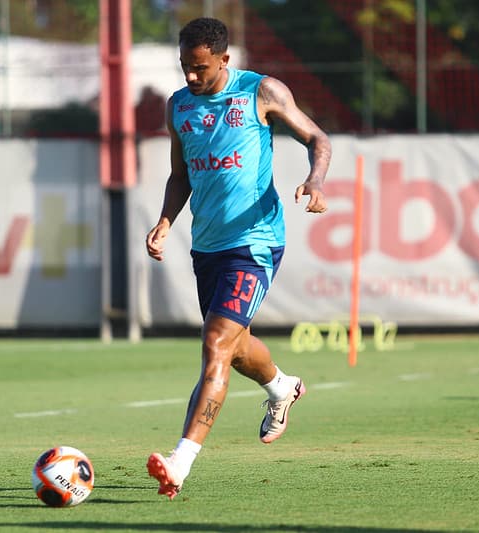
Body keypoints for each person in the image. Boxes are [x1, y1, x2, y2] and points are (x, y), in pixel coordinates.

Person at [144, 17, 332, 500]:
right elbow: (180, 176)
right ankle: (282, 387)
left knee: (214, 344)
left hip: (255, 242)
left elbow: (319, 139)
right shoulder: (178, 106)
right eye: (184, 66)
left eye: (200, 68)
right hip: (207, 246)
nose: (190, 76)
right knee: (235, 345)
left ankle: (180, 462)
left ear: (225, 59)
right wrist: (165, 221)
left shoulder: (261, 92)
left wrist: (315, 181)